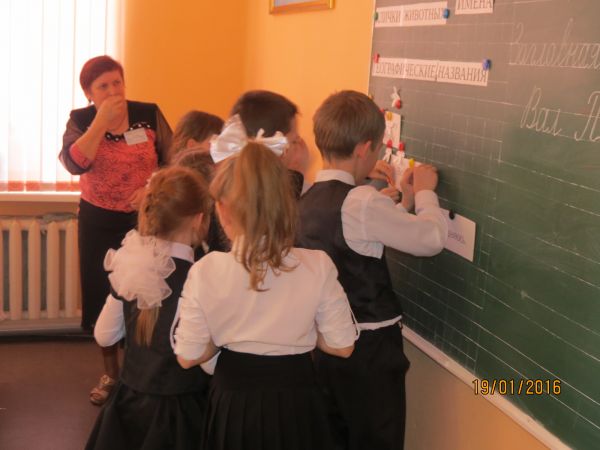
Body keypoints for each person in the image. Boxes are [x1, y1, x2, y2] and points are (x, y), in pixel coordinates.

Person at [174, 143, 357, 450]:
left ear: (222, 210)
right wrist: (299, 332)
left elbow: (188, 356)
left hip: (233, 405)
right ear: (285, 206)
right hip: (298, 402)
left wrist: (224, 338)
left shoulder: (206, 270)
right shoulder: (317, 264)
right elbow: (343, 346)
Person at [296, 90, 448, 450]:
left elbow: (363, 234)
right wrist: (426, 194)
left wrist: (402, 202)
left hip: (323, 349)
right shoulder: (361, 201)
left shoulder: (307, 196)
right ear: (364, 148)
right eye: (379, 148)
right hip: (369, 355)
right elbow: (431, 239)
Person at [58, 55, 173, 405]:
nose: (113, 91)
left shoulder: (147, 113)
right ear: (89, 93)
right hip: (98, 223)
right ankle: (110, 374)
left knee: (145, 297)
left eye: (117, 82)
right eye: (103, 86)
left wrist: (151, 188)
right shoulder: (80, 120)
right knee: (102, 297)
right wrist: (100, 122)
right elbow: (75, 163)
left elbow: (173, 159)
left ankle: (141, 374)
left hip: (146, 222)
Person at [85, 165, 212, 450]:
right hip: (179, 413)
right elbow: (199, 356)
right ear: (198, 219)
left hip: (130, 404)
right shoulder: (200, 278)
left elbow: (104, 335)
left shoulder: (130, 267)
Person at [211, 90, 309, 197]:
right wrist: (297, 174)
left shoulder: (221, 187)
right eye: (294, 141)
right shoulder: (277, 197)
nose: (297, 148)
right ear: (277, 145)